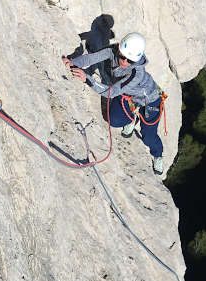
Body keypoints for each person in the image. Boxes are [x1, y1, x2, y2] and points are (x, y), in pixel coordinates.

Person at [63, 32, 166, 175]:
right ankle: (131, 118)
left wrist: (87, 79)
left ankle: (158, 155)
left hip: (151, 100)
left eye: (129, 60)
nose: (123, 61)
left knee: (148, 136)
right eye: (122, 56)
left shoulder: (137, 74)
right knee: (114, 119)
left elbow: (110, 92)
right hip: (129, 95)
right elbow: (92, 58)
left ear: (135, 60)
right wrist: (74, 62)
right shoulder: (113, 50)